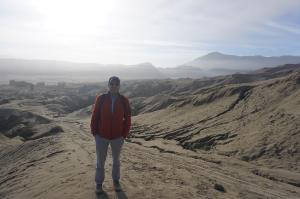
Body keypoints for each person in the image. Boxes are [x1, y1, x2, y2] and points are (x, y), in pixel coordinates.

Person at [90, 76, 131, 193]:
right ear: (108, 85)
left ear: (119, 86)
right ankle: (99, 183)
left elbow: (127, 118)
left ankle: (116, 181)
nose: (113, 86)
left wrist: (124, 134)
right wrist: (94, 132)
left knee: (116, 161)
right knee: (100, 161)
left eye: (116, 84)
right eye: (111, 84)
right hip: (101, 136)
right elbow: (95, 116)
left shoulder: (124, 100)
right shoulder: (101, 99)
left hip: (118, 137)